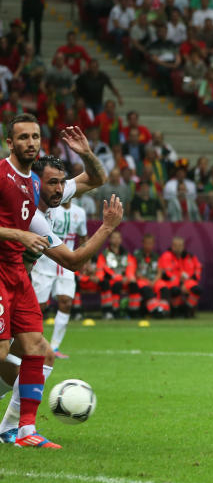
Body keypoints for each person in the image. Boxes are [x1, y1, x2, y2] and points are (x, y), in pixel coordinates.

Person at [0, 123, 117, 448]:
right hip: (8, 279)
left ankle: (17, 430)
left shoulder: (46, 191)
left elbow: (95, 179)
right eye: (54, 184)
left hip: (18, 281)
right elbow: (74, 260)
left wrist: (86, 154)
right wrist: (106, 228)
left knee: (41, 353)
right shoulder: (28, 205)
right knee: (8, 360)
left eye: (62, 184)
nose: (60, 190)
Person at [30, 185, 87, 357]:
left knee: (66, 302)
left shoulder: (80, 212)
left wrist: (84, 259)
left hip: (66, 262)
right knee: (39, 306)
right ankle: (33, 343)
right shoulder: (52, 209)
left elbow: (83, 237)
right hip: (45, 261)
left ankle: (54, 346)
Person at [155, 237, 202, 318]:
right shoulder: (167, 256)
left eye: (180, 245)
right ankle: (174, 311)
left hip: (187, 281)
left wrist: (192, 279)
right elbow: (168, 273)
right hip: (170, 282)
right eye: (176, 245)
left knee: (197, 289)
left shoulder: (190, 257)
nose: (178, 248)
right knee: (175, 290)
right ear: (172, 246)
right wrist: (181, 283)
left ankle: (188, 310)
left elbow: (198, 268)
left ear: (183, 246)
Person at [95, 230, 137, 320]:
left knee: (134, 284)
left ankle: (134, 313)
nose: (116, 240)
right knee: (107, 283)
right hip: (110, 280)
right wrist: (102, 277)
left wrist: (129, 277)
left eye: (118, 237)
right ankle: (108, 311)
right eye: (114, 237)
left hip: (123, 280)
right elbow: (100, 270)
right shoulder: (104, 254)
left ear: (121, 240)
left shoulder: (126, 254)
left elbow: (130, 268)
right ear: (109, 240)